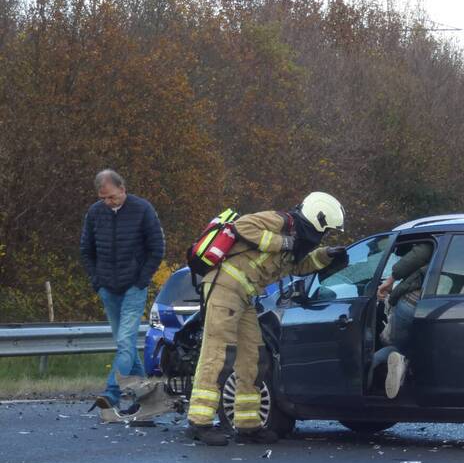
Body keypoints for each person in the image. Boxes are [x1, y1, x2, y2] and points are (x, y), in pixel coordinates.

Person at [185, 192, 349, 446]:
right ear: (317, 219)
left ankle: (248, 425)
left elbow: (297, 266)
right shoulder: (281, 222)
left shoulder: (297, 240)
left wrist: (326, 254)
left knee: (254, 358)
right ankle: (199, 422)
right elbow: (243, 226)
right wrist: (283, 242)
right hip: (225, 288)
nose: (324, 235)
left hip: (245, 296)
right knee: (217, 354)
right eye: (325, 230)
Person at [80, 169, 165, 409]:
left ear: (122, 189)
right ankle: (147, 399)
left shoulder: (142, 209)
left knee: (125, 342)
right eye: (103, 198)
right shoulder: (95, 213)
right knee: (125, 345)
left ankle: (111, 393)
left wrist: (142, 280)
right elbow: (86, 250)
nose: (108, 202)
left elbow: (157, 248)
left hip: (134, 287)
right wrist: (97, 282)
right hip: (107, 288)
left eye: (112, 197)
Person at [376, 242, 433, 398]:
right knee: (420, 347)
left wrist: (390, 280)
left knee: (396, 346)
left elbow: (418, 255)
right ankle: (407, 372)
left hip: (412, 302)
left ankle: (374, 370)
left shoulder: (434, 240)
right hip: (438, 308)